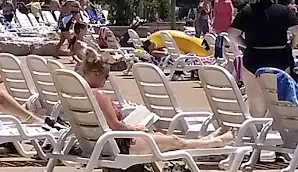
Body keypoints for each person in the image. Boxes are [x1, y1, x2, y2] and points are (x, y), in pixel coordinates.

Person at [81, 49, 233, 154]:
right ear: (96, 73)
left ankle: (206, 140)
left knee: (163, 136)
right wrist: (136, 129)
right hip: (121, 145)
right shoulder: (99, 95)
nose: (106, 80)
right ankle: (214, 143)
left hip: (102, 143)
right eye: (106, 76)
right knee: (175, 141)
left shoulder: (82, 93)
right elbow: (116, 126)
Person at [227, 0, 298, 117]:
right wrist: (290, 45)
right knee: (278, 104)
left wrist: (245, 44)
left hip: (253, 59)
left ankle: (257, 132)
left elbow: (232, 34)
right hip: (279, 60)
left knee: (256, 105)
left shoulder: (247, 11)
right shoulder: (284, 10)